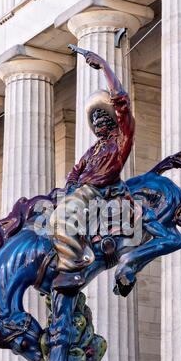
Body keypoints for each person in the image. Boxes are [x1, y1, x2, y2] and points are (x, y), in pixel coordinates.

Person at [51, 50, 135, 292]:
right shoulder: (93, 150)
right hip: (81, 192)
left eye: (102, 115)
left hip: (99, 192)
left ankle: (72, 267)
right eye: (94, 117)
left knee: (60, 219)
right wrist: (70, 188)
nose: (97, 119)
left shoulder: (121, 139)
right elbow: (75, 171)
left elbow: (122, 102)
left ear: (112, 119)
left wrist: (105, 67)